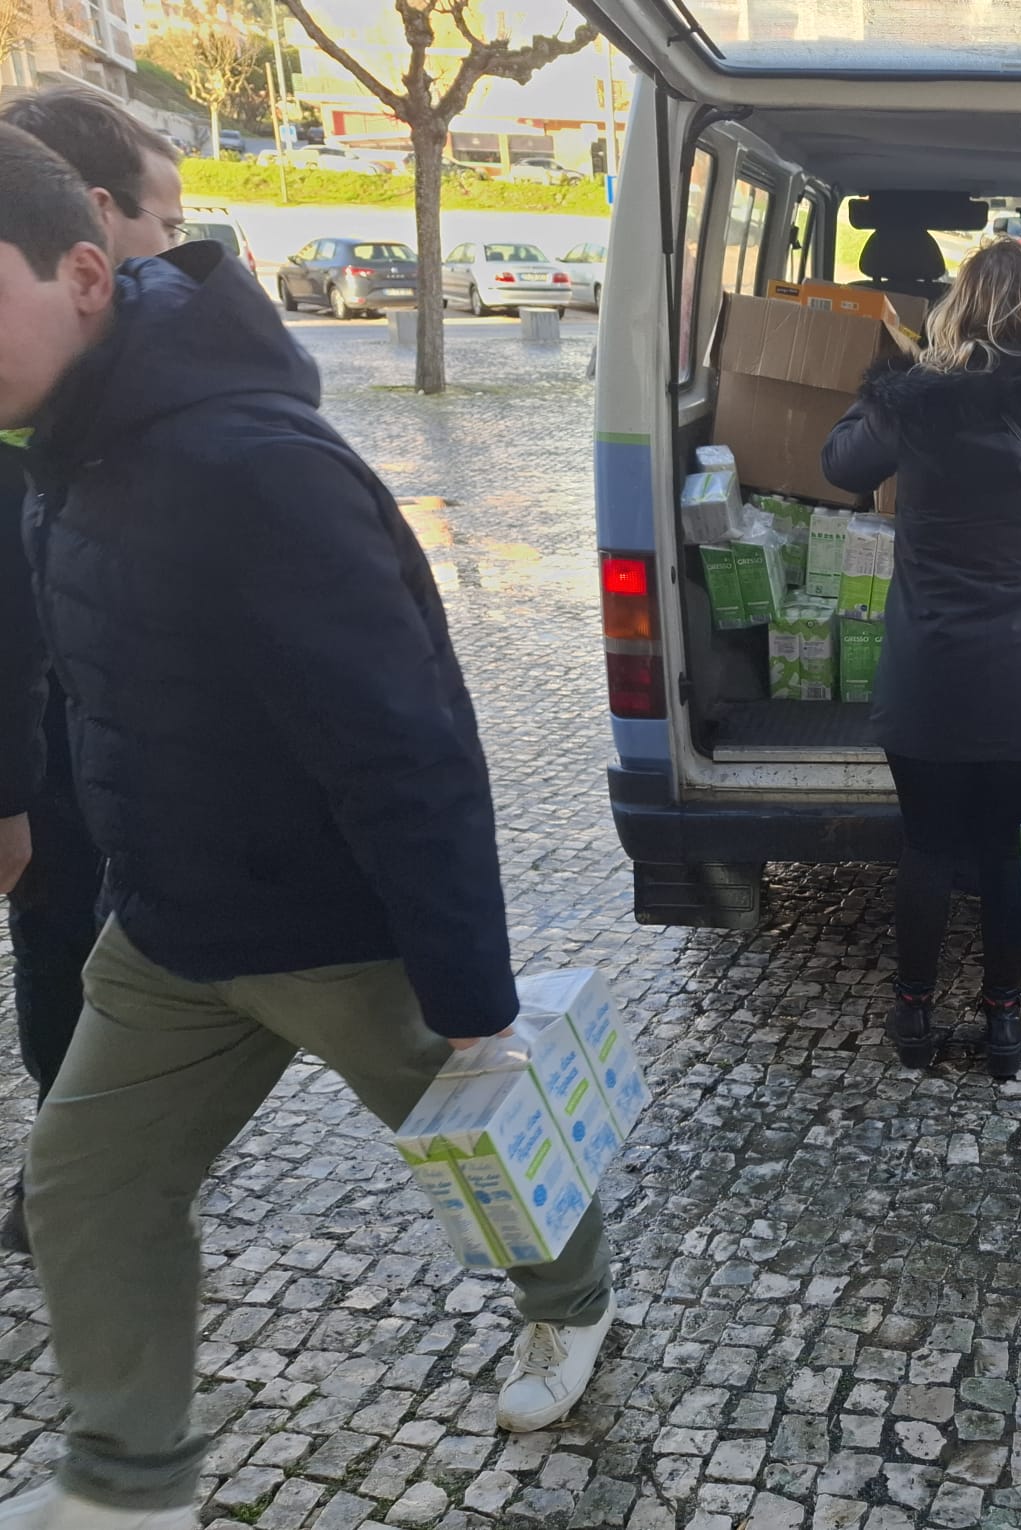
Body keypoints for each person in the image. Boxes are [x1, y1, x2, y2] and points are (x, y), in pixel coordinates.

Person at [0, 127, 614, 1530]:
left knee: (485, 1145)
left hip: (333, 931)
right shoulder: (70, 441)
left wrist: (472, 996)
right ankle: (128, 1489)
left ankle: (573, 1298)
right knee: (83, 1183)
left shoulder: (252, 464)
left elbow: (408, 739)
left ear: (83, 272)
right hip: (167, 927)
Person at [822, 240, 1021, 1079]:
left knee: (930, 845)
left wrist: (877, 389)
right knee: (1010, 845)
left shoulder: (915, 401)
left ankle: (913, 1015)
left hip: (930, 668)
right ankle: (1004, 1024)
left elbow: (839, 465)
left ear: (957, 304)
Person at [0, 88, 187, 1254]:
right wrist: (10, 789)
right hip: (57, 748)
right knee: (70, 945)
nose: (175, 247)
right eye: (166, 222)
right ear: (100, 224)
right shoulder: (35, 398)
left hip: (94, 739)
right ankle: (70, 1176)